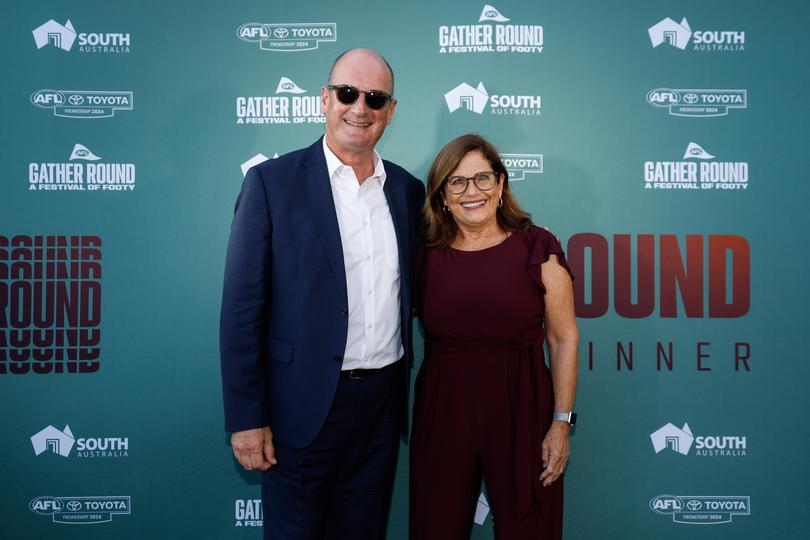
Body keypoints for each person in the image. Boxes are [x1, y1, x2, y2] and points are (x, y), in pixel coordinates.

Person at [220, 48, 425, 540]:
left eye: (375, 98)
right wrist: (248, 418)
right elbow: (242, 310)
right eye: (348, 94)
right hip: (301, 406)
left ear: (390, 111)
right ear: (325, 99)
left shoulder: (407, 191)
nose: (361, 108)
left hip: (381, 405)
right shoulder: (271, 183)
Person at [410, 134, 578, 539]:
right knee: (436, 527)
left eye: (483, 178)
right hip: (443, 405)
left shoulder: (538, 246)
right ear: (442, 195)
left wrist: (560, 422)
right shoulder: (423, 254)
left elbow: (562, 338)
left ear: (501, 185)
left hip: (523, 403)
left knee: (530, 528)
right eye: (457, 182)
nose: (473, 192)